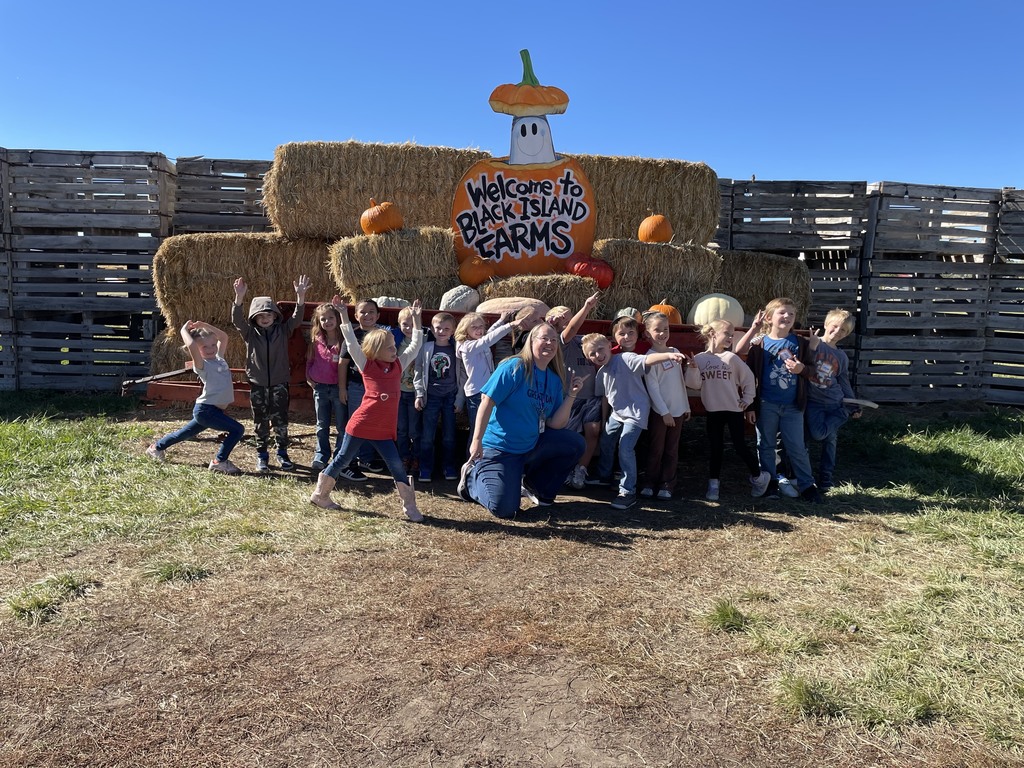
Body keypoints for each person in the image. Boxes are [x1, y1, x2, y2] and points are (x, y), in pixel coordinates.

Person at [457, 322, 586, 520]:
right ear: (531, 341)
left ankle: (538, 488)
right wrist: (476, 441)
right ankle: (472, 478)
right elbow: (486, 402)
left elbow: (555, 424)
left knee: (574, 443)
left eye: (553, 340)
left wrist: (571, 395)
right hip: (500, 449)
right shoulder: (514, 366)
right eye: (544, 338)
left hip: (530, 446)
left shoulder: (553, 379)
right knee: (505, 509)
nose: (550, 343)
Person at [310, 300, 425, 520]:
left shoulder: (399, 365)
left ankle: (409, 506)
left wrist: (417, 319)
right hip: (362, 423)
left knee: (396, 466)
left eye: (394, 346)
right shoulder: (367, 365)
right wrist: (343, 314)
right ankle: (320, 494)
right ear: (376, 351)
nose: (395, 350)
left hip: (383, 429)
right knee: (342, 459)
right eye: (390, 347)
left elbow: (416, 345)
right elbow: (352, 344)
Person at [582, 332, 685, 510]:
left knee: (625, 447)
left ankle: (627, 491)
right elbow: (606, 397)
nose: (598, 355)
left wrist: (668, 355)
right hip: (617, 414)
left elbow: (647, 361)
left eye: (600, 349)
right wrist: (606, 420)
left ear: (609, 345)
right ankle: (604, 477)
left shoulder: (625, 358)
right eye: (592, 354)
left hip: (635, 413)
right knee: (606, 440)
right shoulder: (602, 373)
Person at [734, 298, 821, 502]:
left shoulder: (799, 343)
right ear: (769, 317)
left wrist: (801, 370)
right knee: (765, 444)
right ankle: (770, 483)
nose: (787, 317)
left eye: (791, 314)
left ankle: (807, 485)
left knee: (797, 447)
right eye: (782, 312)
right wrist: (754, 328)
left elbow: (812, 371)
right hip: (766, 404)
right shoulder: (760, 343)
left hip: (792, 406)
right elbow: (739, 353)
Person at [685, 319, 771, 501]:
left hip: (733, 410)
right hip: (713, 411)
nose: (731, 338)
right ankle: (714, 484)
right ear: (712, 334)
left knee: (740, 446)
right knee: (715, 447)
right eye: (727, 334)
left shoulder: (731, 358)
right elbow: (693, 384)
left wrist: (747, 400)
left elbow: (748, 379)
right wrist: (692, 369)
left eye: (732, 335)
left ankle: (759, 477)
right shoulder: (700, 359)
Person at [232, 274, 309, 473]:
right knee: (260, 420)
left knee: (280, 419)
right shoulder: (249, 333)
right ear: (254, 318)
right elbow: (236, 320)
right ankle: (262, 455)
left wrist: (300, 298)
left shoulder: (283, 331)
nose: (265, 318)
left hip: (279, 383)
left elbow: (297, 319)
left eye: (268, 314)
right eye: (260, 315)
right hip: (257, 383)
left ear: (275, 315)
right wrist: (239, 298)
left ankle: (282, 452)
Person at [147, 321, 245, 475]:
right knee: (238, 430)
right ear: (197, 351)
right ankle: (220, 461)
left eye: (213, 345)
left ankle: (156, 448)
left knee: (184, 433)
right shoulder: (202, 364)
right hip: (207, 410)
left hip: (212, 411)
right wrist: (183, 330)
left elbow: (224, 337)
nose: (211, 349)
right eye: (204, 347)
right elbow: (192, 345)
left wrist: (205, 325)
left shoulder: (219, 358)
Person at [547, 292, 602, 489]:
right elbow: (571, 329)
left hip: (592, 395)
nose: (568, 323)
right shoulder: (560, 341)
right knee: (569, 437)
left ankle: (581, 470)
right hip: (572, 396)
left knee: (593, 432)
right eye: (563, 320)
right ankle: (564, 469)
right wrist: (587, 307)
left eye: (568, 319)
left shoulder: (584, 340)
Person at [806, 308, 861, 492]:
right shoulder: (814, 343)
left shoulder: (841, 357)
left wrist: (852, 404)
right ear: (826, 325)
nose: (837, 332)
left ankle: (826, 478)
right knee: (816, 434)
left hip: (833, 401)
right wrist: (811, 347)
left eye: (843, 330)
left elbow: (843, 382)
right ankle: (842, 414)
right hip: (813, 402)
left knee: (830, 441)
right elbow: (805, 364)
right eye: (835, 326)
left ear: (847, 334)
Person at [639, 311, 692, 499]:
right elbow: (652, 388)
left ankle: (668, 483)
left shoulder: (675, 353)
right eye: (657, 330)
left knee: (672, 449)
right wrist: (664, 412)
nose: (662, 333)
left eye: (666, 329)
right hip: (660, 412)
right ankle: (649, 481)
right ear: (647, 334)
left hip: (677, 410)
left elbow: (680, 382)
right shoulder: (649, 357)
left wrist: (686, 406)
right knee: (656, 448)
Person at [338, 298, 390, 479]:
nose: (367, 315)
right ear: (356, 316)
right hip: (357, 387)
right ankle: (346, 464)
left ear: (378, 315)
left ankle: (365, 458)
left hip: (376, 389)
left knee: (371, 422)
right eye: (363, 312)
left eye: (371, 312)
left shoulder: (383, 335)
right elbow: (343, 363)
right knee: (356, 424)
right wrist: (342, 388)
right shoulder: (353, 336)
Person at [455, 308, 521, 451]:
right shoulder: (467, 347)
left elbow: (488, 334)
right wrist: (510, 325)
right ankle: (470, 467)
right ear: (466, 330)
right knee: (476, 432)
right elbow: (489, 339)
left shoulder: (478, 340)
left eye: (481, 327)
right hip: (476, 394)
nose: (479, 330)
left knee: (486, 431)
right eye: (474, 327)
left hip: (487, 392)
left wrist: (501, 320)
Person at [415, 311, 459, 482]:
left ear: (453, 331)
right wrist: (419, 394)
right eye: (438, 328)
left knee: (449, 436)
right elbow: (419, 370)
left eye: (446, 328)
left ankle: (449, 467)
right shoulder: (426, 348)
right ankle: (425, 468)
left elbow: (461, 373)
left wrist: (460, 398)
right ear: (432, 330)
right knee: (427, 436)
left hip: (450, 396)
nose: (442, 331)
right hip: (431, 396)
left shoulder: (456, 349)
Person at [305, 302, 344, 473]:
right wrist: (309, 377)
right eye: (323, 319)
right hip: (320, 387)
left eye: (330, 318)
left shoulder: (344, 340)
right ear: (318, 322)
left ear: (337, 319)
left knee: (342, 425)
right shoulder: (317, 340)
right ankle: (321, 455)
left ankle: (339, 457)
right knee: (322, 424)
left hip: (338, 387)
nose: (327, 321)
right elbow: (310, 360)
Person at [395, 305, 422, 473]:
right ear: (399, 325)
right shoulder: (396, 344)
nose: (409, 328)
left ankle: (417, 457)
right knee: (401, 428)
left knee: (415, 429)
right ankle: (403, 457)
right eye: (405, 324)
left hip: (415, 393)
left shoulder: (423, 343)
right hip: (399, 392)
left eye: (412, 325)